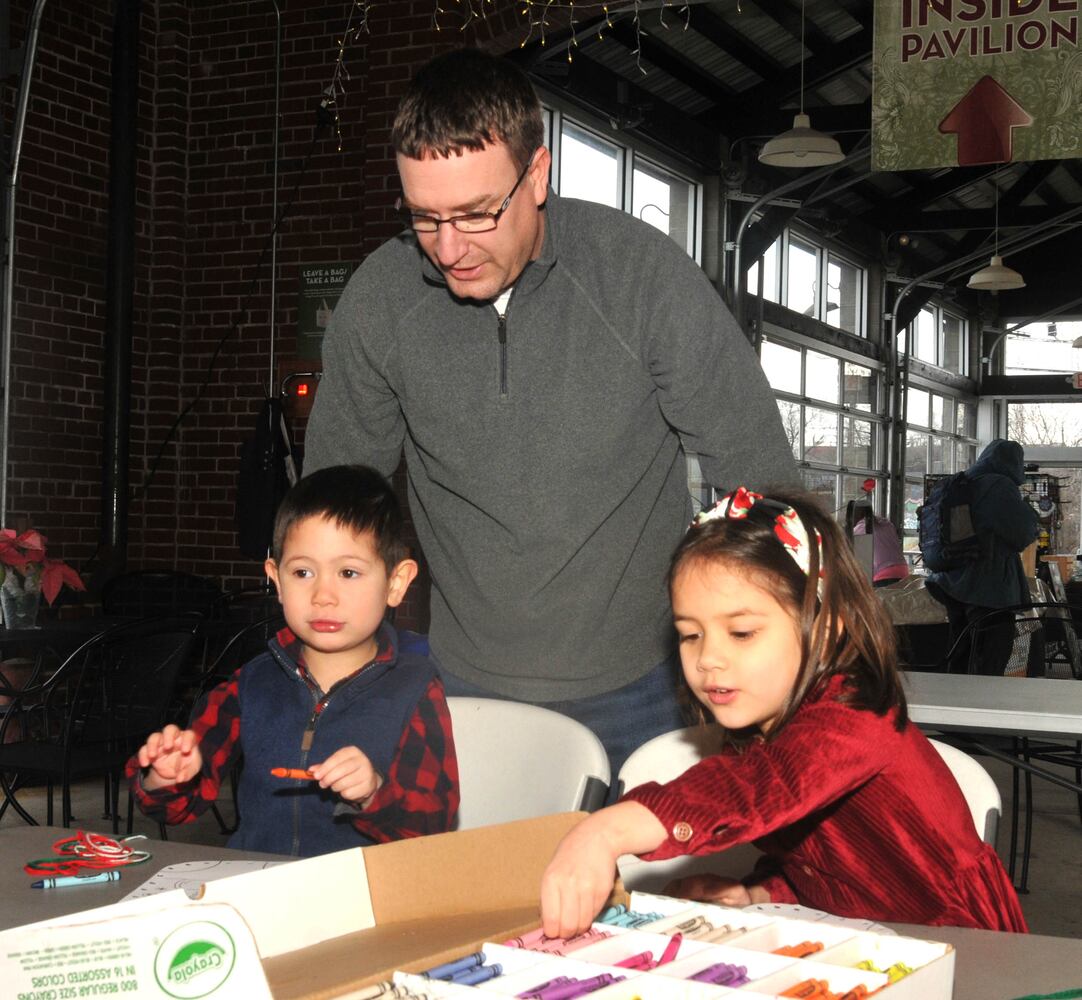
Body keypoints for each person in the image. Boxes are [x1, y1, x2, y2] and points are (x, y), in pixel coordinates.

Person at [303, 47, 796, 781]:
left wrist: (775, 669)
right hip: (462, 684)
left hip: (648, 689)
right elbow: (335, 513)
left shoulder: (640, 277)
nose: (447, 248)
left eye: (475, 214)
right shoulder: (381, 302)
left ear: (537, 175)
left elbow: (763, 485)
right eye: (424, 217)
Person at [540, 486, 1027, 936]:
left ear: (827, 626)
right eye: (691, 634)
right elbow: (825, 862)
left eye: (742, 632)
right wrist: (758, 892)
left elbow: (760, 787)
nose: (707, 658)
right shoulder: (764, 725)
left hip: (961, 943)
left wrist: (604, 830)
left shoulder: (853, 713)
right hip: (851, 942)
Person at [127, 464, 459, 856]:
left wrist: (373, 793)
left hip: (366, 899)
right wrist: (163, 778)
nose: (323, 595)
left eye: (348, 572)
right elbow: (178, 808)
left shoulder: (414, 687)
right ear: (277, 580)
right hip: (262, 885)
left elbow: (436, 823)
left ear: (396, 583)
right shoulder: (251, 682)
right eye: (303, 572)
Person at [925, 439, 1040, 675]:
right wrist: (1029, 514)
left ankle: (957, 706)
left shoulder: (964, 482)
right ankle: (983, 706)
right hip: (989, 587)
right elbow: (1021, 534)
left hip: (952, 582)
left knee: (961, 654)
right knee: (991, 659)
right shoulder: (998, 486)